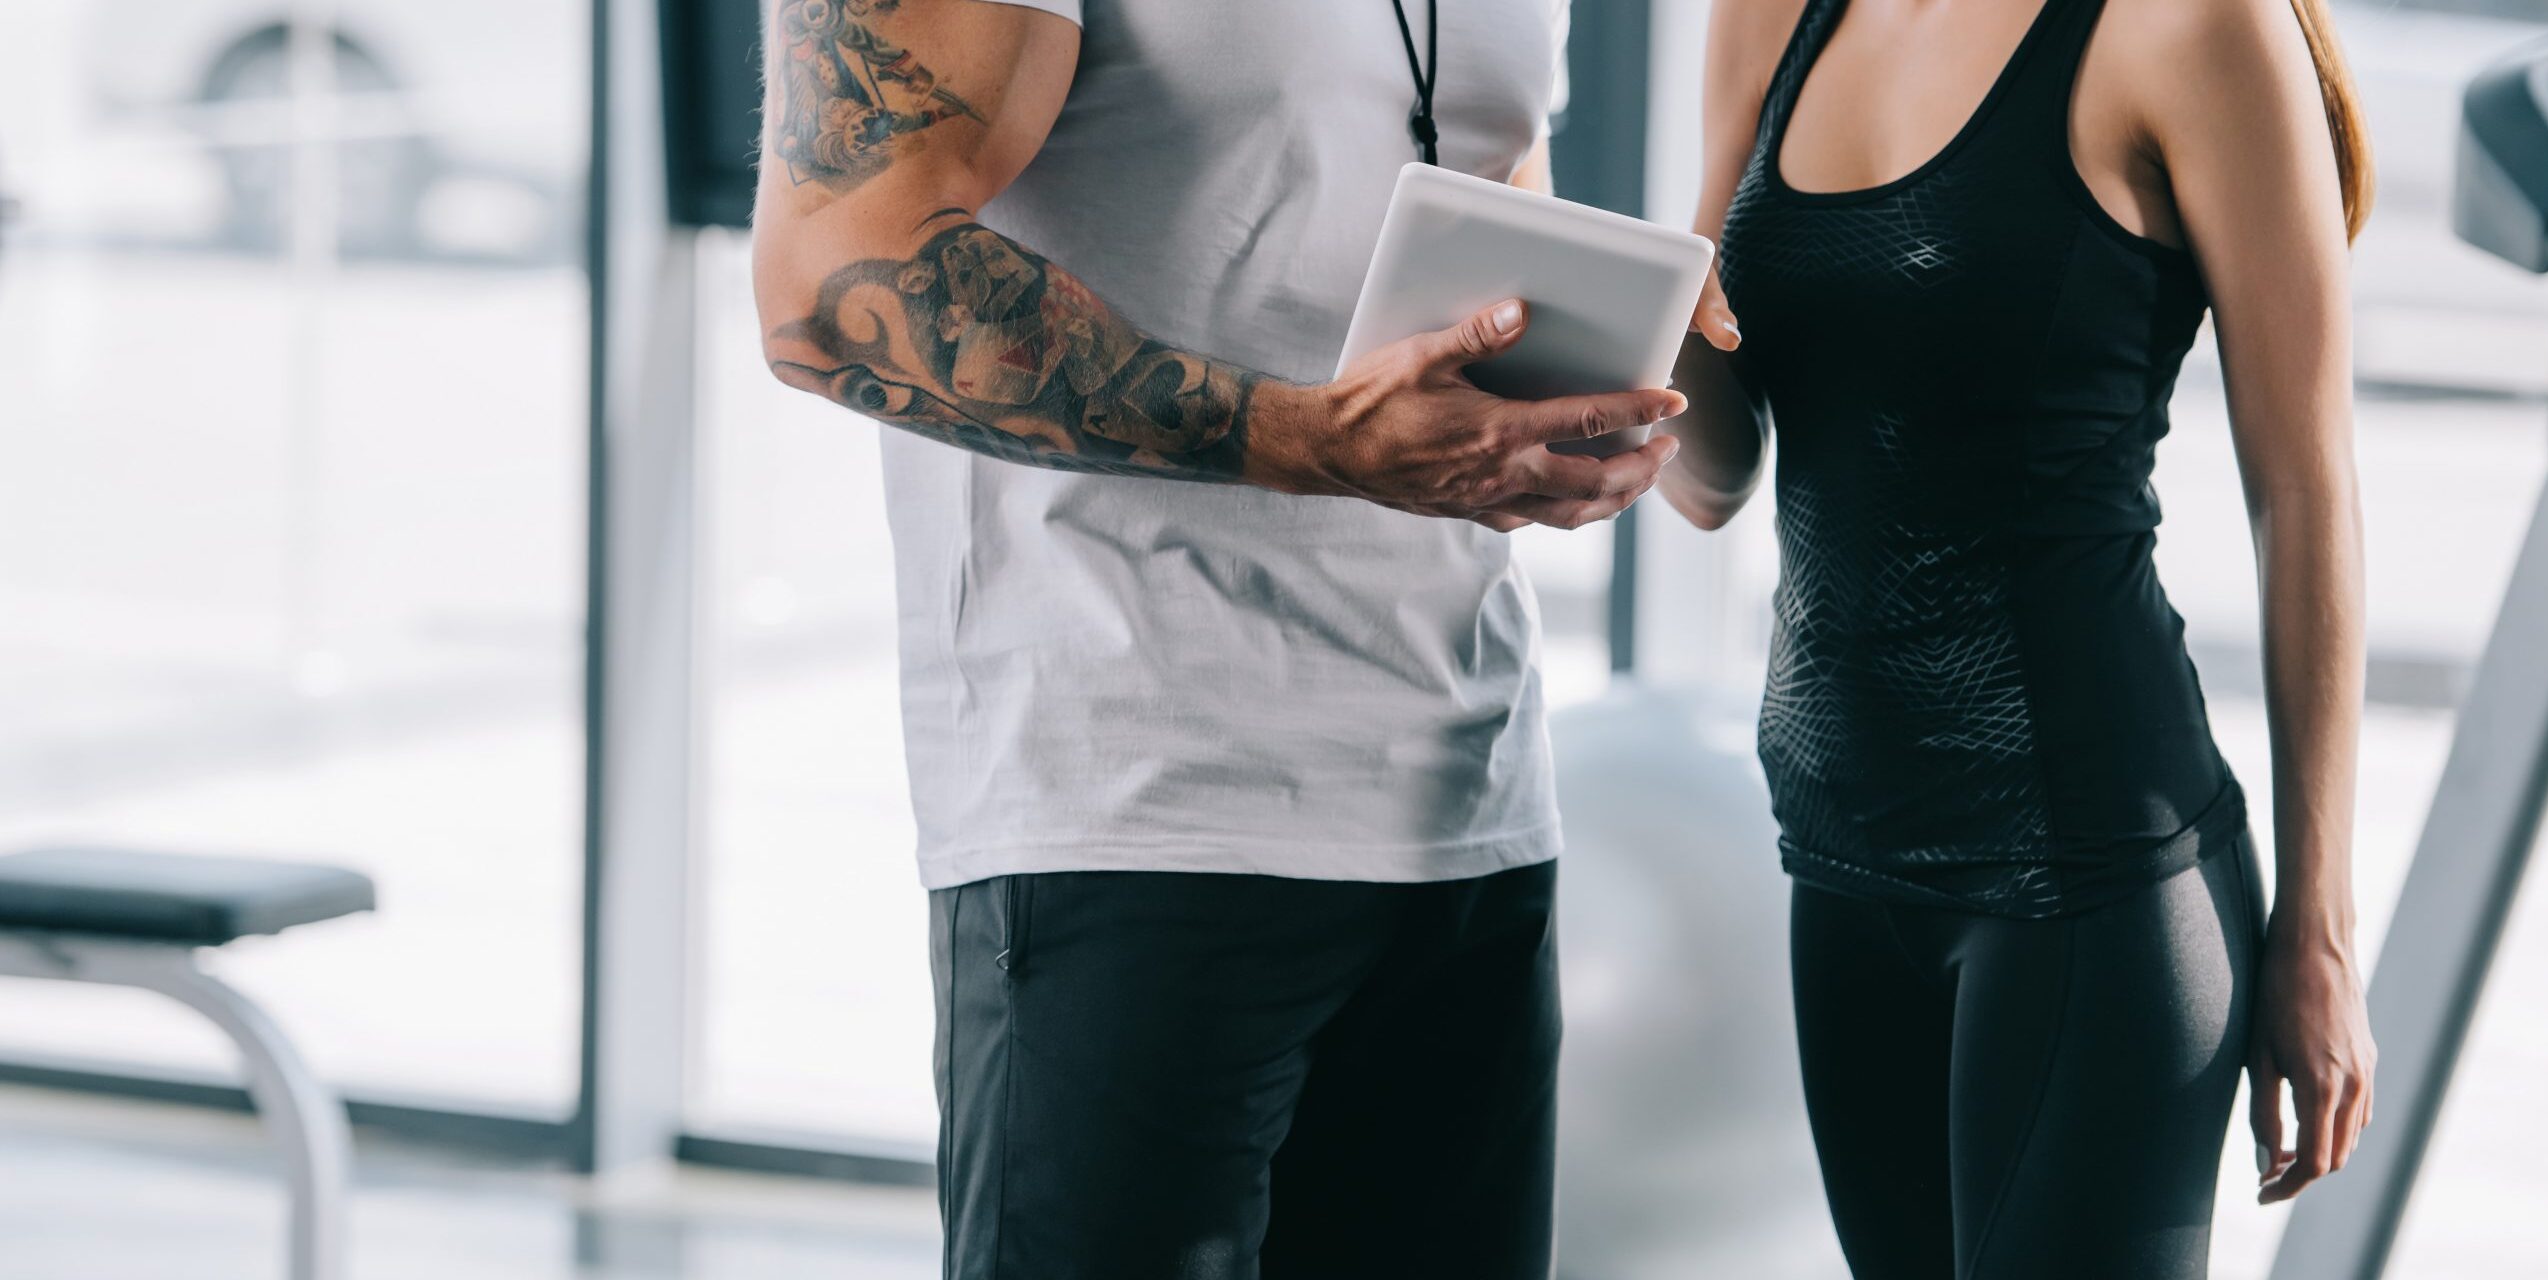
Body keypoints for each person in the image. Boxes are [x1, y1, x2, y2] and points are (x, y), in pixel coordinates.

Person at [750, 1, 1679, 1275]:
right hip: (1126, 791)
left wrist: (1557, 404)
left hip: (1461, 787)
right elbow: (828, 271)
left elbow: (1477, 179)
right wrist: (1312, 439)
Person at [1657, 0, 2379, 1272]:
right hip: (1840, 855)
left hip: (2087, 867)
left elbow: (2306, 488)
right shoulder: (1768, 15)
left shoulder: (2195, 25)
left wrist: (2317, 934)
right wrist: (1590, 305)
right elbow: (1709, 472)